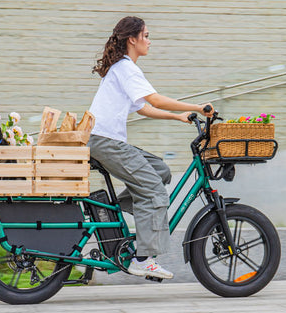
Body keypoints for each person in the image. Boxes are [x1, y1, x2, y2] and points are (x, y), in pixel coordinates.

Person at [87, 16, 213, 279]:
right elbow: (154, 98)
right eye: (146, 35)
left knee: (160, 171)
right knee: (155, 191)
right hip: (105, 141)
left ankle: (116, 209)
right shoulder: (126, 67)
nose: (149, 40)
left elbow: (144, 107)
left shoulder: (123, 68)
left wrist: (178, 117)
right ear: (132, 39)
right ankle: (143, 259)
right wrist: (197, 107)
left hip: (105, 141)